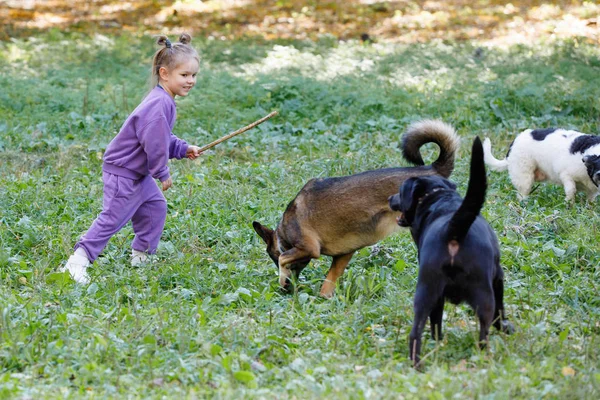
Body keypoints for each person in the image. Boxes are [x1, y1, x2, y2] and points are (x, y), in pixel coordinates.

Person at [60, 33, 202, 284]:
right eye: (184, 75)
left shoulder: (165, 100)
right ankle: (77, 262)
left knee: (154, 208)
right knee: (112, 218)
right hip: (123, 172)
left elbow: (161, 136)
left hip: (137, 173)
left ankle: (142, 257)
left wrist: (182, 148)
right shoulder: (160, 103)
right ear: (164, 73)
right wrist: (162, 171)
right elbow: (154, 143)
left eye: (193, 75)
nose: (190, 80)